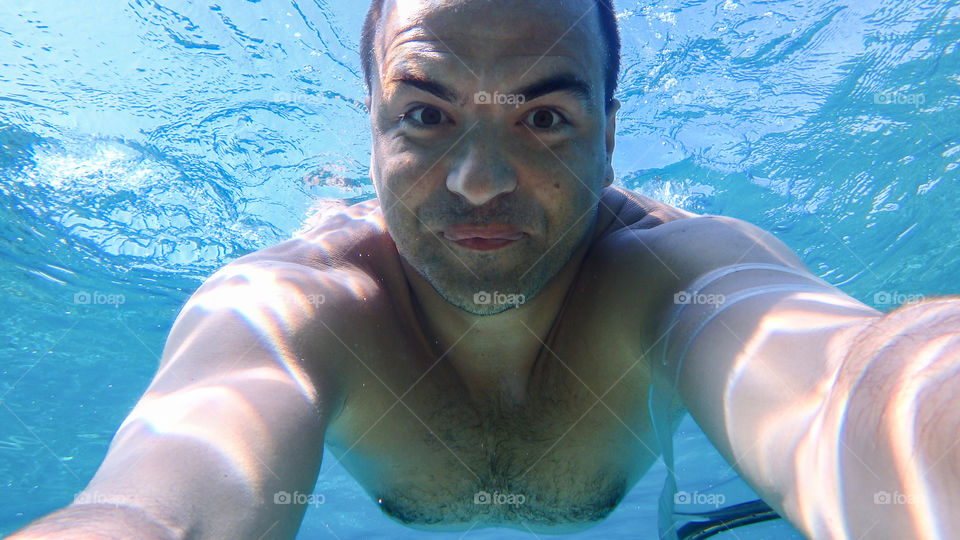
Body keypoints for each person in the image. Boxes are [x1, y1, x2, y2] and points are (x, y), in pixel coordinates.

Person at [12, 0, 960, 538]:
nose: (478, 183)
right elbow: (148, 509)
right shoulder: (303, 301)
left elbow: (855, 381)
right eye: (424, 114)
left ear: (612, 140)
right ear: (374, 133)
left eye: (544, 118)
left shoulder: (670, 269)